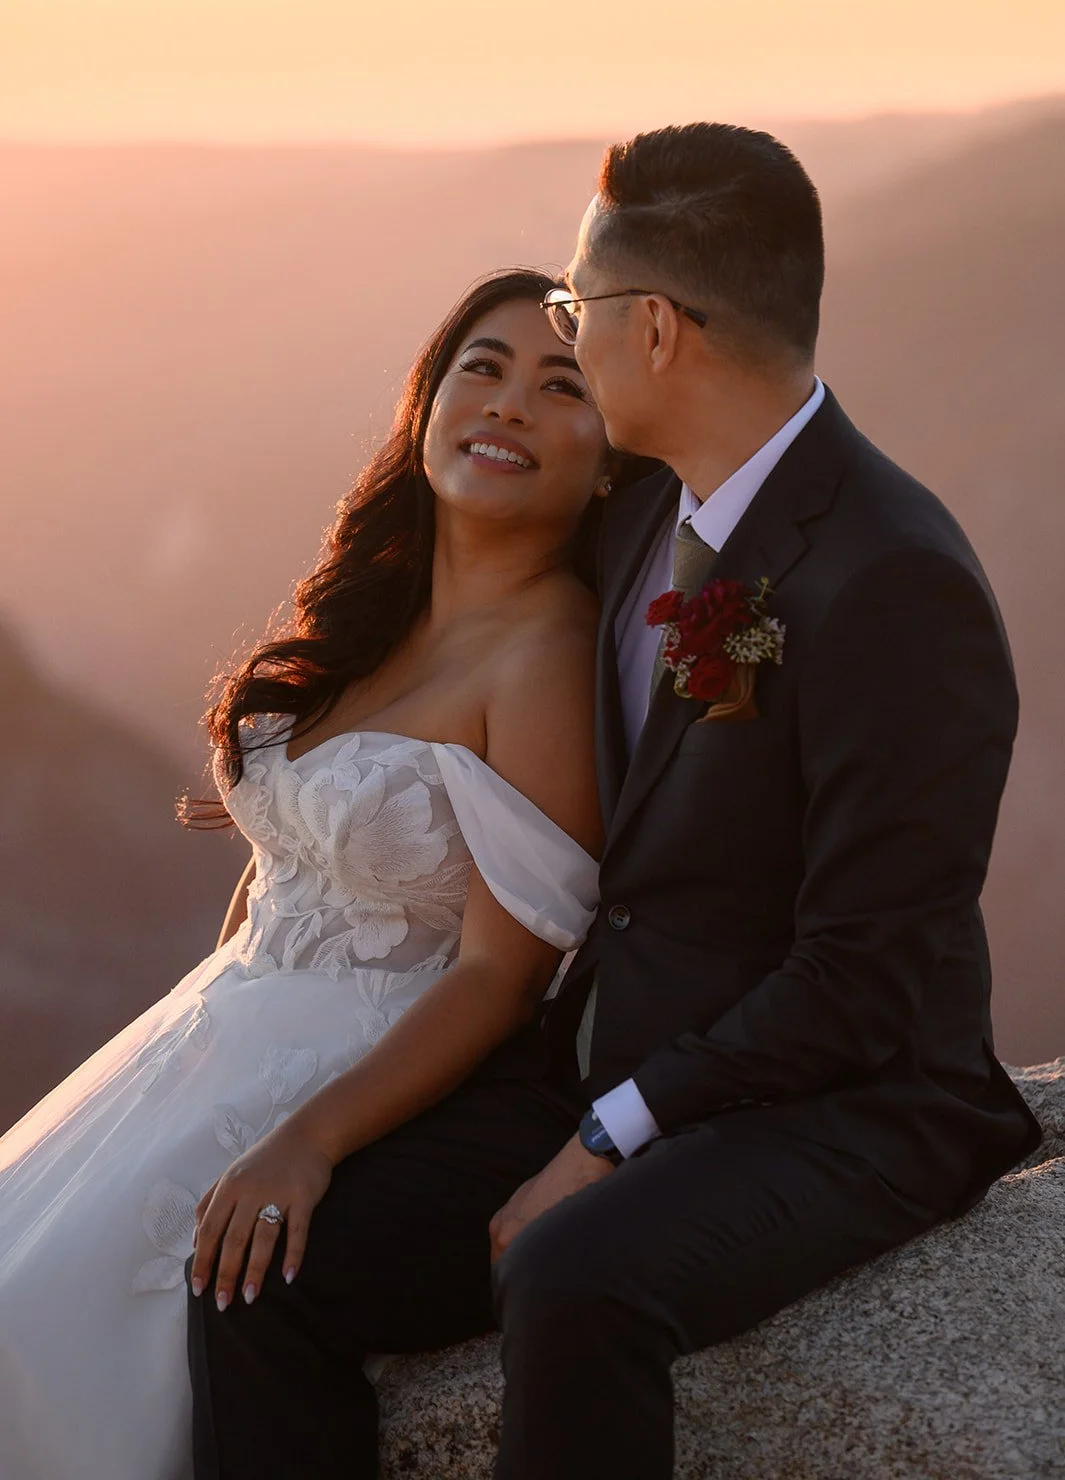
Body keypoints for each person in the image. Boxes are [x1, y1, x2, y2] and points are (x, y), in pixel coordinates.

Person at [190, 124, 1041, 1480]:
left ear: (654, 333)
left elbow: (866, 975)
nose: (562, 337)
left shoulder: (890, 581)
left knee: (577, 1277)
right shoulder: (650, 509)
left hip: (849, 1101)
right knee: (266, 1265)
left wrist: (608, 1134)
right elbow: (486, 513)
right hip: (612, 1055)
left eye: (579, 312)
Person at [0, 267, 617, 1480]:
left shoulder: (546, 651)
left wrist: (310, 1141)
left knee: (57, 1327)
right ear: (428, 401)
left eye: (563, 387)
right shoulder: (377, 611)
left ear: (609, 459)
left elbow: (503, 973)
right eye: (480, 369)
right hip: (213, 1025)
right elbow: (292, 851)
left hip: (354, 1063)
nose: (507, 406)